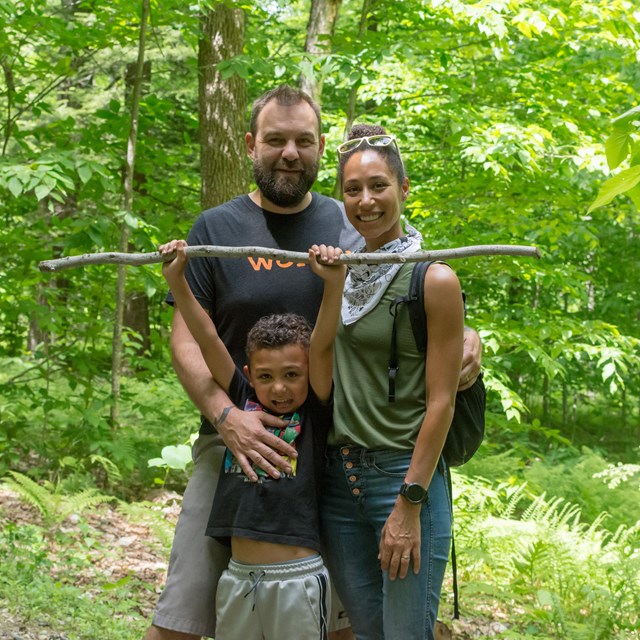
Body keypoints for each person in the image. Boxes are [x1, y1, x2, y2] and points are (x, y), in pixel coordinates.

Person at [145, 84, 482, 640]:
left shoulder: (351, 224)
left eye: (303, 140)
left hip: (335, 447)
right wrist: (227, 419)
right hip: (236, 439)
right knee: (182, 612)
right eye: (275, 140)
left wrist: (469, 334)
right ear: (251, 144)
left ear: (321, 146)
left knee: (340, 617)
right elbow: (188, 342)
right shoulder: (214, 230)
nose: (290, 152)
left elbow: (414, 295)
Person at [159, 238, 345, 639]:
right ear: (249, 372)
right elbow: (206, 337)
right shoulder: (241, 399)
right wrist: (178, 281)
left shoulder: (314, 409)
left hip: (297, 580)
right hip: (238, 579)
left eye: (292, 375)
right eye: (266, 376)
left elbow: (324, 341)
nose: (279, 388)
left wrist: (334, 284)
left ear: (308, 371)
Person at [319, 124, 464, 640]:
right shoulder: (341, 273)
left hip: (404, 477)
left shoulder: (435, 279)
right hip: (340, 482)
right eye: (353, 189)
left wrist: (409, 503)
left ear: (403, 189)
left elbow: (442, 402)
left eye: (378, 185)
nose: (366, 200)